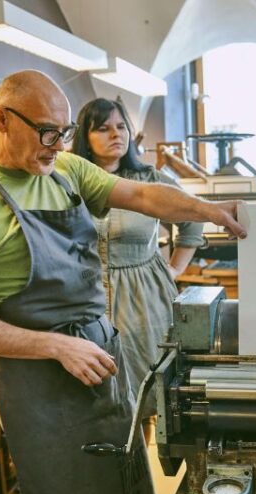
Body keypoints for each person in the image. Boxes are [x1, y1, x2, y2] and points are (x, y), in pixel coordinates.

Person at [0, 69, 245, 494]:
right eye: (46, 132)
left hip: (100, 363)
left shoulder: (66, 170)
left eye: (64, 133)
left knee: (127, 486)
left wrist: (208, 210)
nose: (58, 145)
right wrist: (56, 346)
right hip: (39, 382)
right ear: (1, 120)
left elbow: (142, 196)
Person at [72, 98, 204, 442]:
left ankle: (138, 468)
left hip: (143, 298)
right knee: (94, 392)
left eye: (121, 127)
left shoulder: (150, 180)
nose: (116, 134)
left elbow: (192, 220)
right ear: (86, 136)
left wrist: (174, 269)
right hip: (86, 295)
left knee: (142, 394)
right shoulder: (70, 182)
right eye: (103, 128)